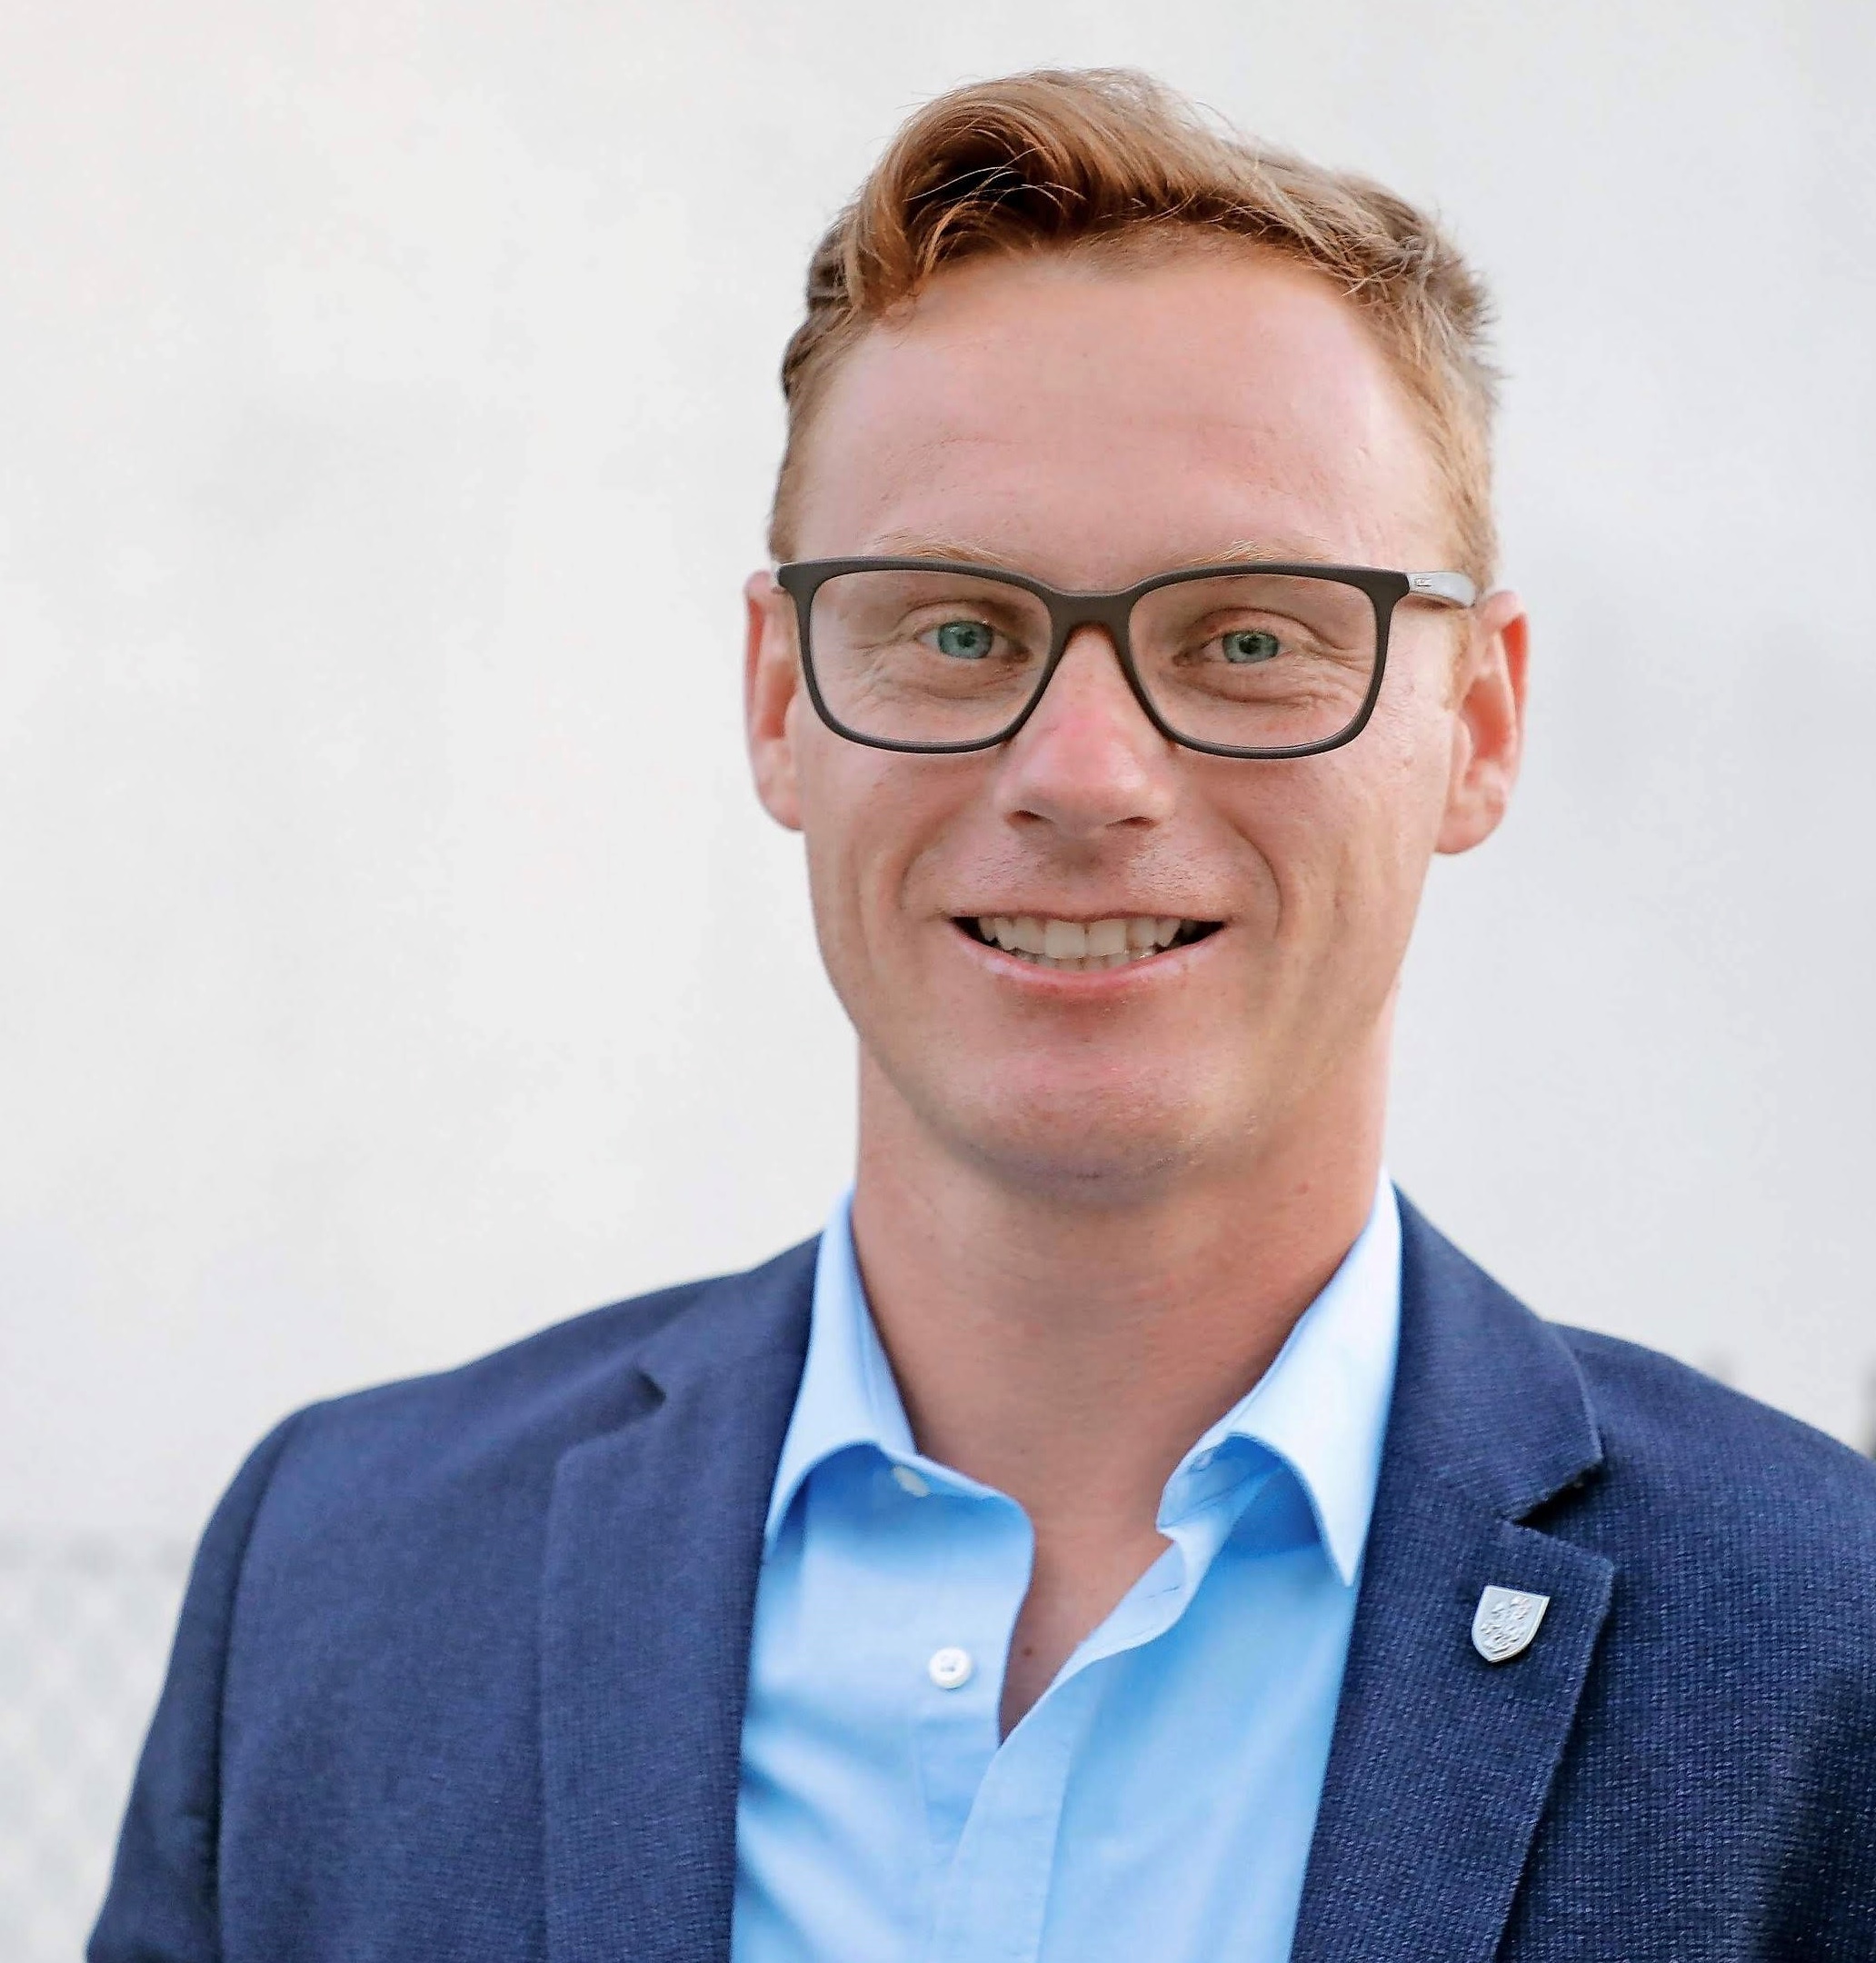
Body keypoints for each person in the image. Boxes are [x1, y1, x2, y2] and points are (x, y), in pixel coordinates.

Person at [92, 68, 1876, 1963]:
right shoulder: (341, 1587)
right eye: (955, 630)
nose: (1084, 774)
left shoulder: (1817, 1655)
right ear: (779, 701)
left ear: (1480, 726)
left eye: (1250, 638)